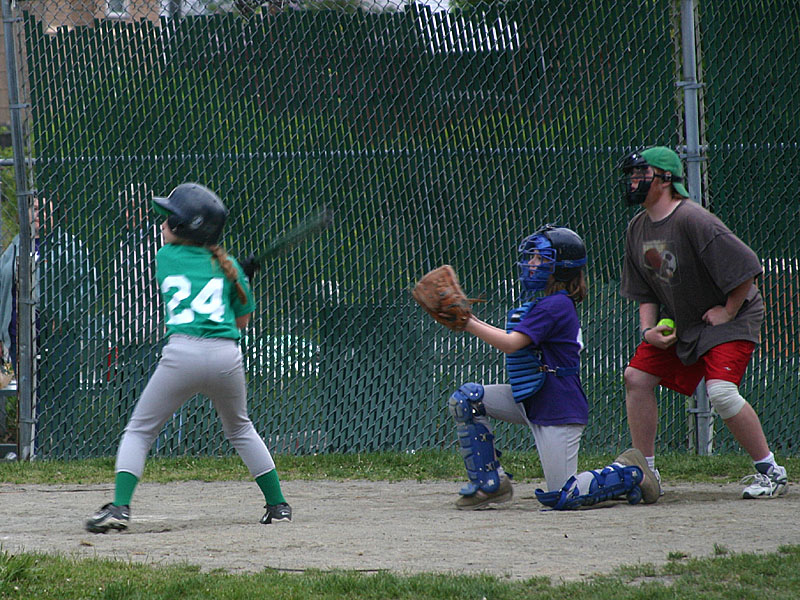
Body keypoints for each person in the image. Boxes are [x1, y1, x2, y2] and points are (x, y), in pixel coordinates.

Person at [85, 182, 291, 533]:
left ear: (186, 228)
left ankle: (120, 508)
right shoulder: (228, 267)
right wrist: (243, 279)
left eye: (169, 221)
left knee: (139, 430)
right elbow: (240, 321)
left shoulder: (165, 257)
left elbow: (195, 275)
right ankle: (278, 506)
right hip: (227, 357)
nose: (162, 225)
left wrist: (236, 275)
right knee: (241, 428)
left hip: (183, 354)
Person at [446, 224, 659, 511]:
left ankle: (629, 471)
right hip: (532, 396)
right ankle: (489, 486)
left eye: (539, 258)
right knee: (468, 400)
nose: (531, 263)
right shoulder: (544, 303)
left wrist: (467, 322)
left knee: (564, 495)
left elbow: (511, 343)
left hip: (557, 406)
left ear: (561, 267)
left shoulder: (555, 306)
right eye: (531, 257)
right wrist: (467, 318)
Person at [617, 146, 788, 499]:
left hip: (731, 319)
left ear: (664, 179)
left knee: (721, 393)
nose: (634, 181)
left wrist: (727, 311)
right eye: (632, 175)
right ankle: (646, 473)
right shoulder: (638, 228)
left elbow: (747, 267)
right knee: (636, 377)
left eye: (641, 174)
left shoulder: (693, 219)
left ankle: (771, 471)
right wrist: (647, 331)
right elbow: (645, 290)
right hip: (687, 322)